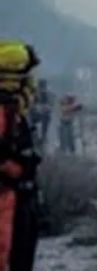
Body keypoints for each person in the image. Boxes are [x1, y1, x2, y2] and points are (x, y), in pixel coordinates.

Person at [0, 41, 42, 271]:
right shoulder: (3, 110)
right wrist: (15, 169)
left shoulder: (14, 111)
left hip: (19, 197)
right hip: (7, 198)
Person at [29, 80, 51, 148]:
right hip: (33, 115)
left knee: (47, 116)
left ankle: (44, 136)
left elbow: (49, 106)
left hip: (42, 115)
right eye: (41, 87)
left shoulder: (47, 94)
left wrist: (45, 108)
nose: (42, 89)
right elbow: (31, 105)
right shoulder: (34, 93)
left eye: (43, 87)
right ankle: (34, 135)